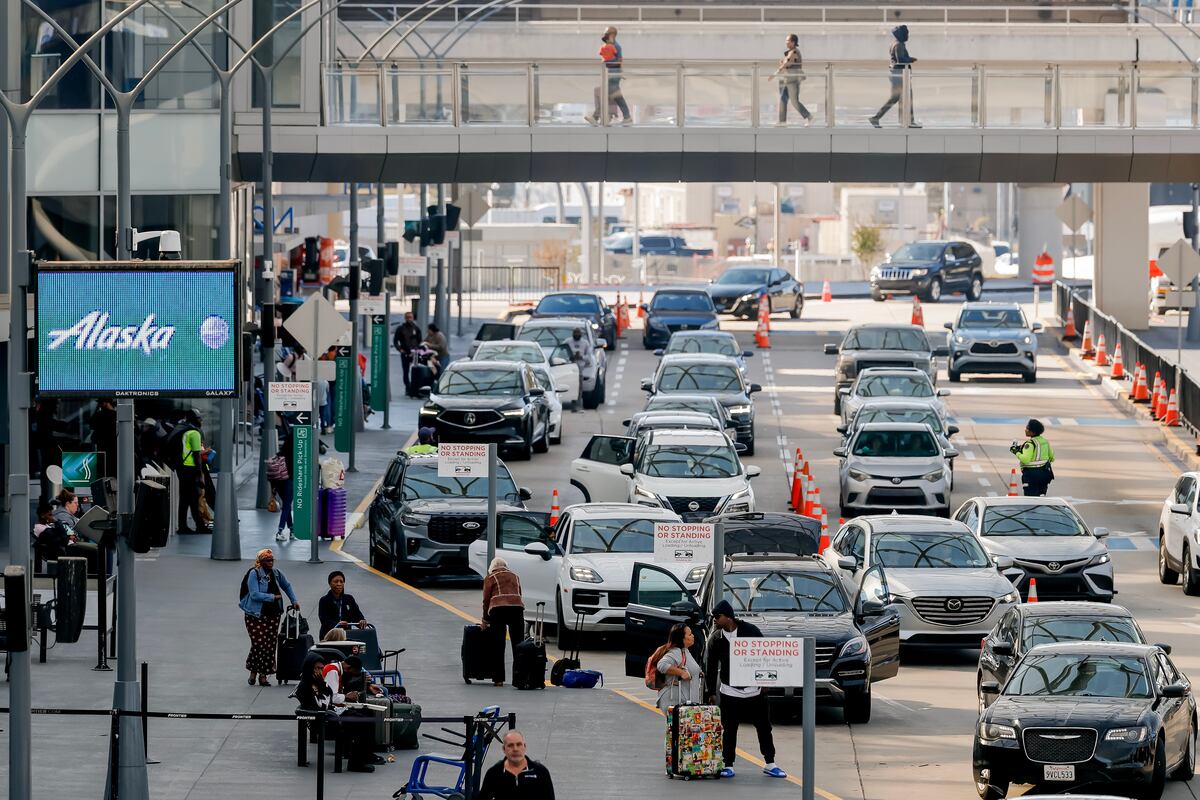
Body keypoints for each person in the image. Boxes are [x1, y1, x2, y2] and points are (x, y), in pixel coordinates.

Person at [705, 599, 786, 779]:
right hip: (729, 691)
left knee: (764, 727)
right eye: (713, 617)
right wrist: (711, 692)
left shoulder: (751, 631)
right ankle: (728, 764)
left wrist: (766, 682)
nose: (714, 620)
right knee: (730, 728)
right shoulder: (716, 639)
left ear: (728, 617)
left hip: (754, 690)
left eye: (717, 617)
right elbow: (710, 667)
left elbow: (765, 656)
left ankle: (770, 763)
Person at [294, 652, 382, 773]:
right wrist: (342, 697)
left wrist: (323, 686)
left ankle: (363, 756)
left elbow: (328, 696)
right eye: (317, 668)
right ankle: (356, 763)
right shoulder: (306, 686)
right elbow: (322, 704)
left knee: (367, 717)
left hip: (330, 713)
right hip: (325, 719)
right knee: (363, 722)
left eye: (321, 668)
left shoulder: (319, 683)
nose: (320, 671)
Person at [238, 548, 299, 687]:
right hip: (255, 614)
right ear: (260, 561)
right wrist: (273, 597)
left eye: (272, 560)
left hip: (273, 615)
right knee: (259, 644)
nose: (271, 563)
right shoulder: (254, 574)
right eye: (267, 560)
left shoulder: (276, 574)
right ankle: (259, 673)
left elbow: (287, 586)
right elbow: (254, 594)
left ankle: (258, 673)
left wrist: (294, 600)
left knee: (269, 645)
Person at [482, 557, 525, 687]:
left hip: (498, 610)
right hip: (517, 610)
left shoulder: (490, 578)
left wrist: (485, 619)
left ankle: (498, 679)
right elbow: (519, 594)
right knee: (518, 645)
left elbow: (486, 601)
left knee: (498, 645)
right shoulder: (515, 576)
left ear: (492, 568)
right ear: (506, 566)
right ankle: (519, 678)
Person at [478, 730, 556, 800]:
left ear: (524, 747)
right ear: (504, 749)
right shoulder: (494, 773)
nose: (515, 749)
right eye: (510, 745)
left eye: (519, 744)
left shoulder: (540, 772)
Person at [869, 25, 919, 128]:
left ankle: (903, 120)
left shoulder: (895, 44)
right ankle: (909, 121)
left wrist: (909, 58)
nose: (907, 35)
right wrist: (910, 60)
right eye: (906, 33)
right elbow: (900, 59)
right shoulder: (899, 45)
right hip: (900, 74)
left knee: (898, 98)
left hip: (897, 74)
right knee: (905, 97)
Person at [586, 26, 631, 125]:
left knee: (604, 95)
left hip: (613, 75)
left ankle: (596, 117)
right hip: (610, 74)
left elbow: (619, 61)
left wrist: (619, 72)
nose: (604, 35)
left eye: (606, 33)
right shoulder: (608, 46)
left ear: (612, 35)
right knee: (616, 97)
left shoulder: (616, 46)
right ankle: (626, 117)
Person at [655, 623, 704, 713]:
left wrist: (698, 672)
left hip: (683, 701)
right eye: (689, 634)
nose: (693, 636)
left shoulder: (685, 651)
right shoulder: (675, 652)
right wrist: (681, 673)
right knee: (679, 726)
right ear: (681, 638)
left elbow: (690, 667)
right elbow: (661, 665)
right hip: (675, 700)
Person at [176, 409, 209, 534]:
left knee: (185, 499)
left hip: (182, 467)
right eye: (199, 418)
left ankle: (183, 526)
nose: (201, 420)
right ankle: (199, 526)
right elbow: (197, 455)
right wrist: (200, 474)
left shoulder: (184, 430)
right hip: (191, 468)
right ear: (194, 419)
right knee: (194, 498)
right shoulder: (194, 433)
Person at [773, 34, 812, 126]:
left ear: (793, 42)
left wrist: (777, 71)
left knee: (794, 101)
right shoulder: (791, 52)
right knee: (783, 99)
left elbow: (787, 63)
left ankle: (809, 117)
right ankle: (782, 122)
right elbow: (787, 63)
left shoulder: (794, 52)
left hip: (793, 80)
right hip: (787, 79)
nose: (786, 42)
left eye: (788, 41)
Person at [318, 570, 368, 639]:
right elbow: (324, 620)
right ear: (330, 583)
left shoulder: (349, 599)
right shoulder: (324, 600)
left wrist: (361, 620)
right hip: (329, 636)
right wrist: (338, 624)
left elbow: (357, 614)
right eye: (336, 581)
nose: (339, 584)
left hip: (346, 635)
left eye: (341, 581)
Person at [1014, 418, 1055, 496]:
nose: (1025, 430)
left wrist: (1016, 452)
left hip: (1031, 476)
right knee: (1041, 497)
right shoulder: (1045, 442)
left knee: (1031, 498)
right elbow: (1052, 457)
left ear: (1032, 432)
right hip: (1044, 474)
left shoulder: (1030, 444)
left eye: (1027, 428)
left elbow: (1025, 459)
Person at [267, 437, 294, 543]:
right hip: (289, 480)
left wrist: (273, 489)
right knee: (287, 505)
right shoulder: (295, 456)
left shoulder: (279, 455)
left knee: (286, 504)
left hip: (277, 481)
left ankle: (292, 529)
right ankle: (280, 531)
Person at [394, 311, 423, 397]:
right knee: (406, 371)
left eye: (410, 317)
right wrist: (400, 349)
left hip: (415, 353)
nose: (409, 319)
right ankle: (408, 387)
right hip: (405, 353)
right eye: (407, 317)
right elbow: (396, 341)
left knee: (415, 371)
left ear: (413, 318)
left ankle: (414, 388)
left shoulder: (416, 328)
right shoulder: (400, 328)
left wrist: (418, 350)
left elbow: (420, 340)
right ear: (405, 318)